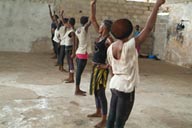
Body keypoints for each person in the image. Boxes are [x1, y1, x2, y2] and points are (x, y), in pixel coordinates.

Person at [106, 0, 166, 128]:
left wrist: (116, 79)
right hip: (126, 87)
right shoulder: (129, 46)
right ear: (130, 32)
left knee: (111, 117)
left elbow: (110, 67)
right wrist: (156, 5)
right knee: (120, 121)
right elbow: (148, 28)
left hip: (115, 83)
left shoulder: (110, 47)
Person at [87, 0, 113, 128]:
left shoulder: (109, 39)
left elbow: (115, 56)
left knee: (101, 93)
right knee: (96, 91)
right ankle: (98, 111)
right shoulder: (101, 36)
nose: (99, 26)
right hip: (95, 67)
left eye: (101, 25)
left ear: (105, 27)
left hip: (102, 70)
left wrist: (107, 66)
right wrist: (92, 5)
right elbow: (92, 19)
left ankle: (104, 119)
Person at [74, 16, 91, 96]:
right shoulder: (84, 29)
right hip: (82, 54)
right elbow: (90, 21)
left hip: (78, 52)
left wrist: (75, 53)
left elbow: (76, 42)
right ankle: (77, 90)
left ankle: (78, 89)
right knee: (78, 73)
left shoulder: (78, 30)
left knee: (78, 72)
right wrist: (93, 7)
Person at [63, 17, 76, 83]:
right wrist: (61, 15)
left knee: (71, 64)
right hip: (67, 49)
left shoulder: (72, 32)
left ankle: (72, 78)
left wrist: (73, 52)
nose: (66, 24)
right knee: (69, 63)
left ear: (69, 23)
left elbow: (74, 42)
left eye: (67, 22)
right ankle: (70, 77)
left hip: (70, 49)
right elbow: (64, 23)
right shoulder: (69, 29)